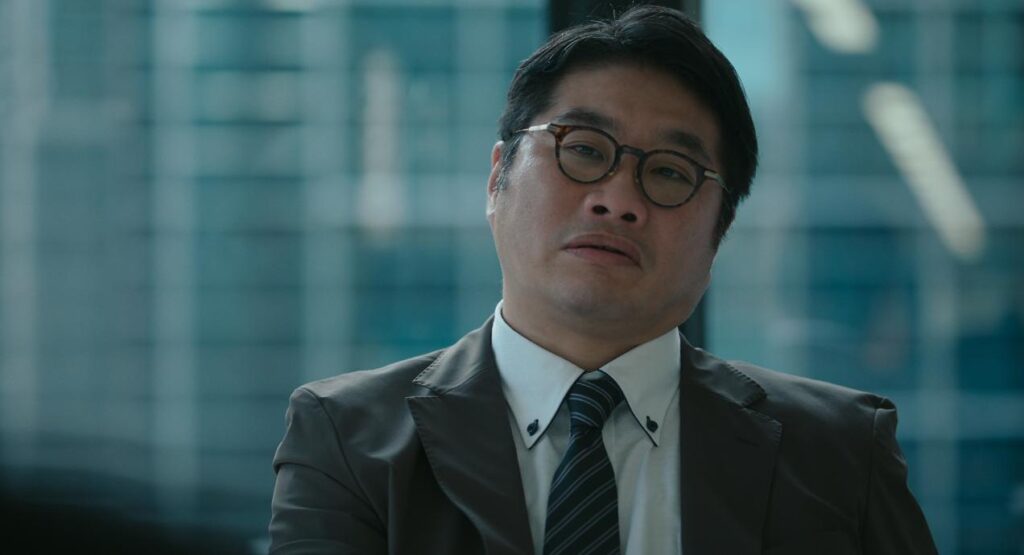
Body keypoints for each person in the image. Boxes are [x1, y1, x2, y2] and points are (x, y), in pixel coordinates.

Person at [269, 5, 937, 554]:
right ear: (498, 178)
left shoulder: (840, 453)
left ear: (719, 233)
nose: (618, 200)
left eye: (670, 172)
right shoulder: (349, 438)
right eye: (584, 149)